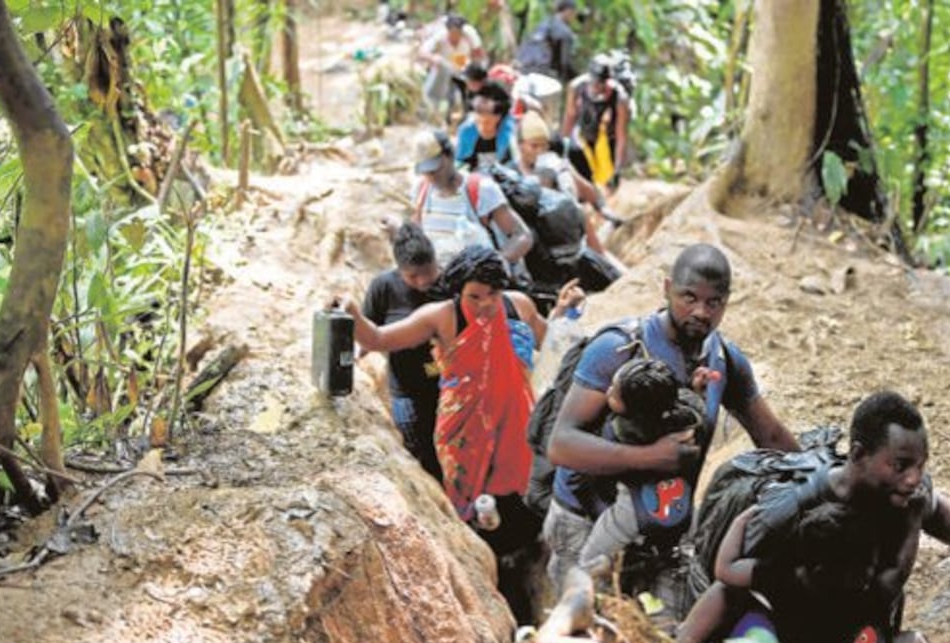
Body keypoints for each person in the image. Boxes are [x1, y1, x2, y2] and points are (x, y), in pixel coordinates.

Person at [677, 391, 950, 643]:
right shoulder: (792, 510)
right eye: (901, 465)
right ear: (859, 454)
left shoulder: (900, 494)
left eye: (920, 466)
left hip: (855, 638)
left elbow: (936, 508)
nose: (914, 479)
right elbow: (723, 587)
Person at [543, 243, 801, 620]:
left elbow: (771, 436)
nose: (701, 312)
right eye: (689, 297)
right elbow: (561, 445)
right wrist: (649, 457)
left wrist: (821, 479)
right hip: (585, 522)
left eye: (714, 302)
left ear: (727, 302)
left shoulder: (723, 360)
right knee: (583, 630)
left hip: (659, 525)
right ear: (667, 289)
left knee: (661, 639)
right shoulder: (619, 348)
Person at [338, 246, 584, 622]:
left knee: (519, 495)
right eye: (475, 296)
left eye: (492, 294)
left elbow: (551, 344)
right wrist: (353, 313)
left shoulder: (519, 305)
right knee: (472, 502)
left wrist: (563, 315)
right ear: (458, 292)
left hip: (516, 423)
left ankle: (521, 568)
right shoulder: (440, 316)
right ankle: (485, 576)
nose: (485, 305)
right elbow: (377, 339)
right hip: (464, 433)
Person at [577, 358, 717, 571]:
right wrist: (696, 391)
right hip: (681, 494)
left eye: (615, 394)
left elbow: (599, 473)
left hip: (634, 504)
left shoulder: (619, 432)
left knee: (589, 561)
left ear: (636, 410)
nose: (609, 391)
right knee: (696, 545)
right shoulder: (691, 413)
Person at [361, 225, 444, 483]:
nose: (422, 281)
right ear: (399, 270)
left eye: (428, 272)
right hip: (407, 390)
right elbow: (366, 333)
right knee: (420, 453)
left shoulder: (450, 285)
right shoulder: (383, 287)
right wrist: (348, 358)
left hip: (449, 387)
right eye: (412, 276)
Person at [408, 128, 532, 273]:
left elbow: (522, 235)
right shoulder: (421, 191)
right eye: (425, 172)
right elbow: (417, 237)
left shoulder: (481, 189)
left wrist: (497, 263)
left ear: (450, 156)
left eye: (435, 169)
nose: (431, 176)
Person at [518, 110, 621, 250]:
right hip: (536, 243)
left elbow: (586, 189)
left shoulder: (558, 165)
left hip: (570, 234)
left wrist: (604, 209)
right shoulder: (512, 175)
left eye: (544, 146)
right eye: (534, 146)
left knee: (601, 257)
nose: (539, 151)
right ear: (521, 145)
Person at [561, 55, 631, 190]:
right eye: (594, 82)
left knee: (608, 182)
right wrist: (563, 149)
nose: (597, 87)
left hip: (608, 141)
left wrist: (617, 170)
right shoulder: (577, 88)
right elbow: (569, 118)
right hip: (584, 137)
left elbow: (621, 135)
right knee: (584, 177)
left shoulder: (619, 97)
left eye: (601, 83)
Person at [418, 14, 486, 122]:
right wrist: (433, 58)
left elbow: (479, 53)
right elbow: (422, 52)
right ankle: (430, 113)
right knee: (435, 93)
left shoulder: (470, 37)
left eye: (457, 33)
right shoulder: (440, 36)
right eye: (452, 33)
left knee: (462, 97)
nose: (454, 36)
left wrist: (474, 67)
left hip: (462, 69)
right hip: (442, 69)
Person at [454, 80, 518, 170]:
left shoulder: (511, 132)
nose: (482, 128)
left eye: (487, 122)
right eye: (478, 122)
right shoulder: (466, 130)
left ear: (499, 118)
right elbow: (459, 162)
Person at [516, 0, 579, 84]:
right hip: (544, 76)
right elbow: (564, 64)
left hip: (523, 71)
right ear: (568, 11)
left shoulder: (542, 25)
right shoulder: (565, 32)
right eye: (574, 12)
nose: (574, 16)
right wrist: (577, 78)